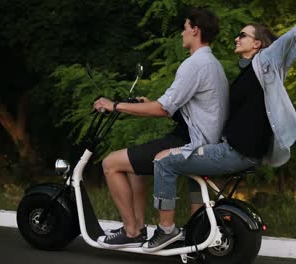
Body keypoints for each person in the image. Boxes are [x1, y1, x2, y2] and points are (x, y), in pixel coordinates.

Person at [143, 0, 296, 252]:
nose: (236, 38)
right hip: (234, 149)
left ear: (258, 44)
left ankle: (166, 231)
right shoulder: (246, 73)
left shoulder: (265, 63)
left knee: (164, 161)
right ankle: (197, 233)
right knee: (190, 171)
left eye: (243, 35)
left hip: (236, 152)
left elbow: (289, 40)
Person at [93, 8, 229, 248]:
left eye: (185, 28)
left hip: (189, 142)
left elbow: (162, 109)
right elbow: (193, 108)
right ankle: (138, 228)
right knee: (134, 166)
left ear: (195, 30)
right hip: (203, 138)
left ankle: (132, 230)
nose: (182, 33)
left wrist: (115, 105)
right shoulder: (213, 64)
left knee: (110, 164)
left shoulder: (194, 64)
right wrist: (152, 105)